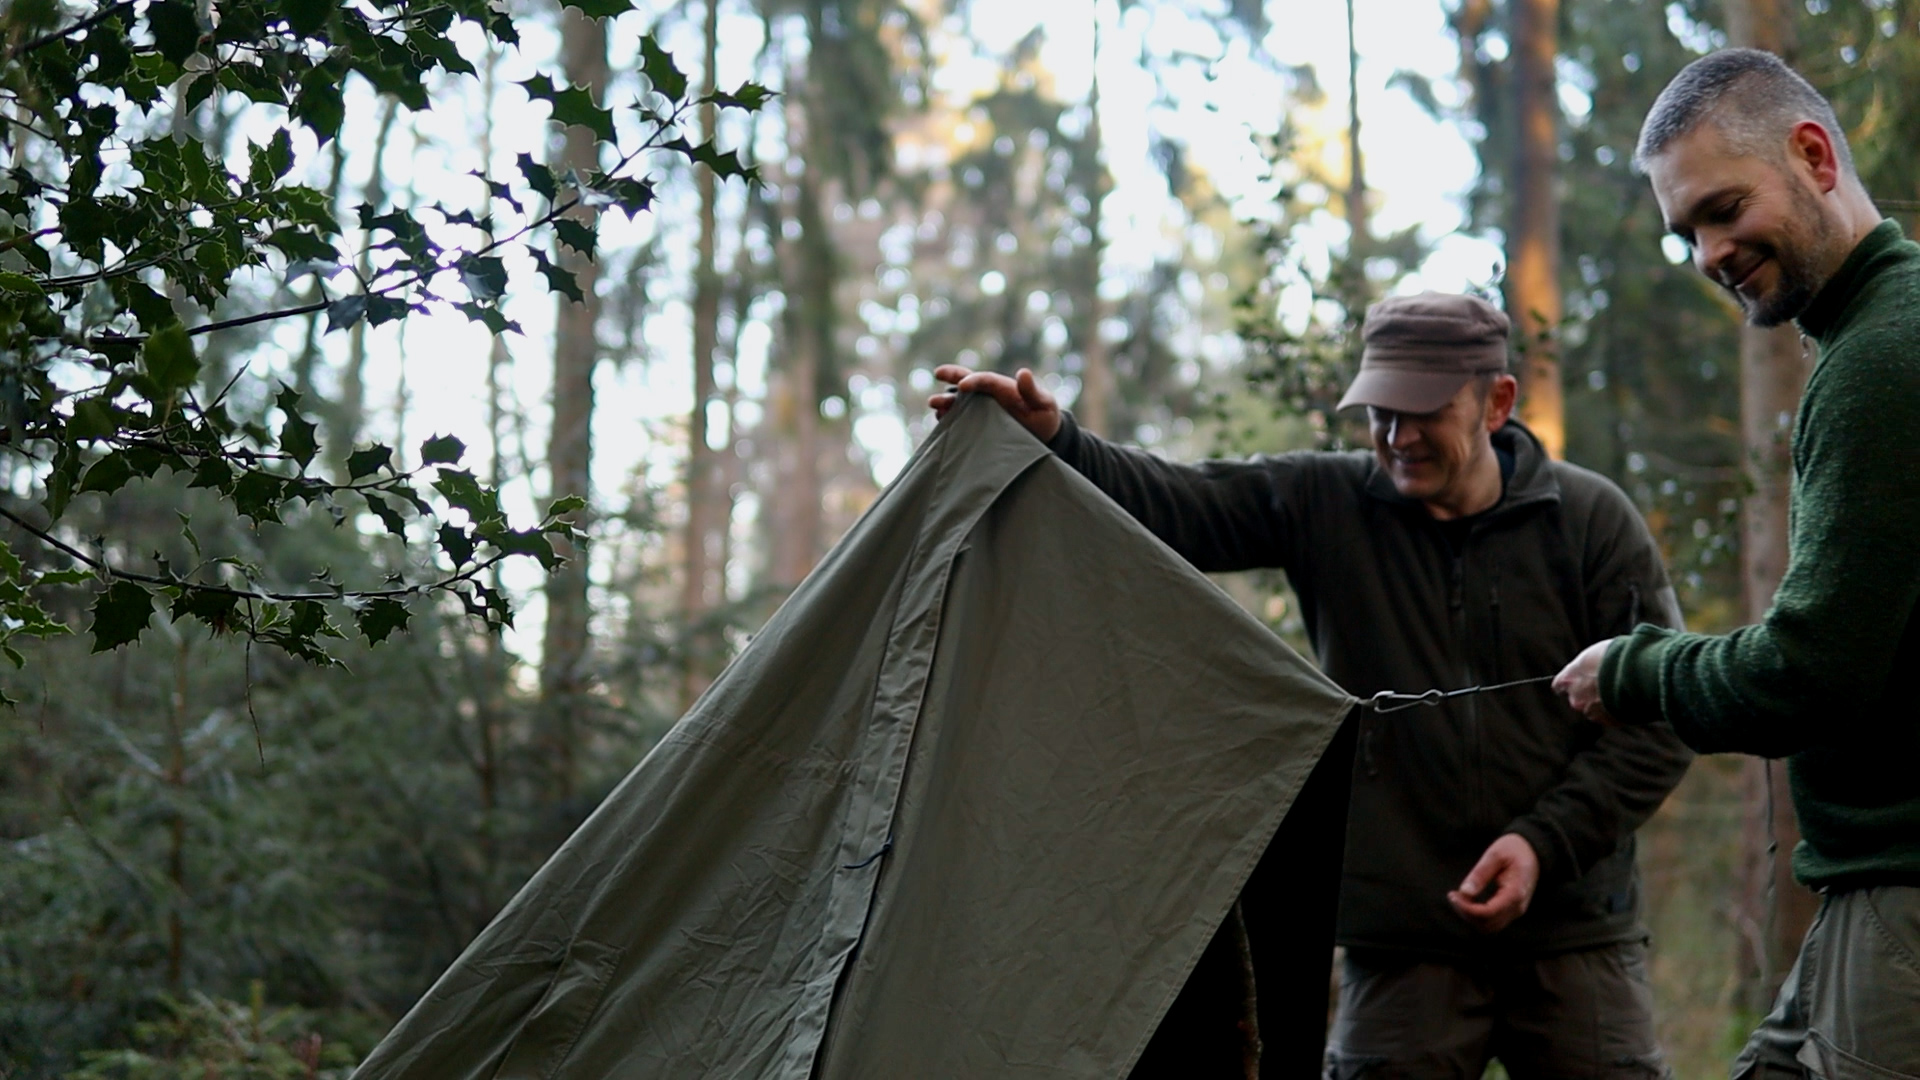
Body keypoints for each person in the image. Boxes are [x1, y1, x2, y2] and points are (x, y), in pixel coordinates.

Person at [934, 291, 1693, 1079]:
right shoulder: (1325, 502)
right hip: (1401, 944)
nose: (1397, 438)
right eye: (1380, 413)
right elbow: (1178, 504)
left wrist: (1543, 844)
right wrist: (1057, 441)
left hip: (1576, 934)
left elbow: (1661, 718)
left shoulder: (1591, 522)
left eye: (1423, 412)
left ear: (1496, 401)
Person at [1553, 48, 1920, 1079]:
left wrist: (1634, 669)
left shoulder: (1884, 360)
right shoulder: (1875, 339)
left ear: (1813, 154)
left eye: (1723, 209)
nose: (1710, 253)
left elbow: (1809, 673)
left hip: (1904, 904)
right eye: (1687, 234)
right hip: (1867, 898)